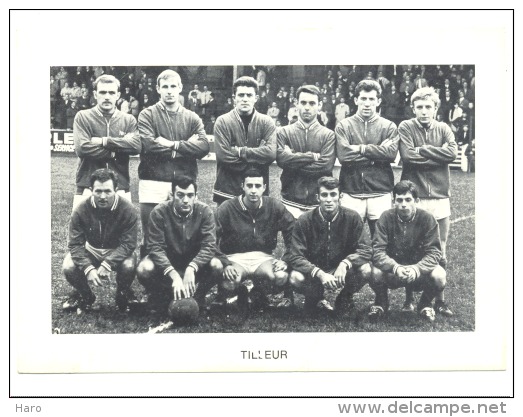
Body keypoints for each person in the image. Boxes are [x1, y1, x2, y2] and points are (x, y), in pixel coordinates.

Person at [398, 87, 457, 316]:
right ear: (413, 108)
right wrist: (437, 154)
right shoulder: (406, 127)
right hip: (416, 197)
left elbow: (451, 153)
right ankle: (409, 299)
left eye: (428, 107)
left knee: (441, 249)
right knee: (412, 248)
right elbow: (408, 156)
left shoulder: (443, 128)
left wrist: (423, 149)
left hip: (440, 196)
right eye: (419, 107)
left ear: (435, 108)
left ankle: (439, 300)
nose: (424, 111)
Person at [138, 69, 209, 255]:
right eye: (165, 87)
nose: (169, 91)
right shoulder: (147, 114)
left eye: (173, 87)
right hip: (153, 180)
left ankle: (179, 273)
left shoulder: (192, 117)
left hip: (184, 183)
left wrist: (172, 144)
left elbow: (203, 148)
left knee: (182, 233)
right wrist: (186, 148)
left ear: (180, 88)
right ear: (158, 89)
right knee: (150, 233)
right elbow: (148, 146)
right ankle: (149, 280)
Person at [284, 176, 372, 314]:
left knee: (366, 270)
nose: (329, 199)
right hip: (315, 270)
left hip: (340, 269)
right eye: (324, 195)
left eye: (333, 194)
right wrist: (319, 274)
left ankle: (345, 297)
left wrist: (345, 263)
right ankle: (314, 297)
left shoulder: (352, 217)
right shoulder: (304, 220)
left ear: (340, 196)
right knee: (295, 277)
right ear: (318, 197)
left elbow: (366, 249)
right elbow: (295, 256)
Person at [212, 168, 295, 313]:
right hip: (235, 258)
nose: (253, 190)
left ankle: (259, 291)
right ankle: (239, 290)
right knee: (229, 283)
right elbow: (211, 238)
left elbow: (293, 233)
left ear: (264, 187)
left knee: (280, 276)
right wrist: (225, 263)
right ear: (242, 186)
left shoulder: (274, 206)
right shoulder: (227, 208)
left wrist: (285, 259)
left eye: (257, 186)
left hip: (262, 257)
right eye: (249, 185)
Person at [136, 175, 219, 314]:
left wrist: (192, 267)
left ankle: (199, 297)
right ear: (171, 195)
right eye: (180, 195)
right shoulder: (159, 212)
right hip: (167, 263)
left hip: (193, 263)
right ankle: (160, 295)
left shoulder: (205, 212)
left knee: (217, 265)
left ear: (196, 196)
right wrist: (173, 274)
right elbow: (155, 247)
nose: (185, 200)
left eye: (190, 195)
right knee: (144, 268)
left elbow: (209, 246)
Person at [369, 180, 448, 322]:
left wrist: (417, 269)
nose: (403, 204)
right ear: (394, 201)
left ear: (416, 201)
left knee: (440, 275)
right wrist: (395, 267)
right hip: (394, 271)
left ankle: (425, 304)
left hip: (418, 272)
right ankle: (381, 302)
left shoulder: (427, 218)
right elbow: (377, 250)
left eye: (408, 199)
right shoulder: (385, 217)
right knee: (374, 272)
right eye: (399, 200)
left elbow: (435, 252)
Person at [62, 169, 139, 313]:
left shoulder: (128, 209)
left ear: (116, 190)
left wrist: (108, 263)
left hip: (116, 249)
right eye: (98, 191)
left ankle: (123, 294)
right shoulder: (80, 209)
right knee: (68, 265)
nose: (103, 196)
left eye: (108, 191)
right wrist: (87, 267)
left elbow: (128, 244)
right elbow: (75, 244)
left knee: (129, 264)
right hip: (91, 249)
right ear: (91, 190)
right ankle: (85, 295)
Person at [335, 79, 399, 237]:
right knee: (349, 240)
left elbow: (391, 154)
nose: (367, 103)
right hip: (351, 190)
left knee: (382, 241)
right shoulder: (344, 125)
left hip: (380, 190)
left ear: (378, 101)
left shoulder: (389, 126)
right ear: (356, 100)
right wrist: (377, 153)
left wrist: (361, 148)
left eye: (371, 99)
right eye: (363, 99)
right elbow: (344, 156)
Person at [72, 74, 141, 210]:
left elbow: (136, 147)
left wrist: (104, 141)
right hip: (87, 186)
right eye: (103, 92)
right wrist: (118, 149)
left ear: (118, 95)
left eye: (111, 92)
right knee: (83, 230)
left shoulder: (129, 120)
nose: (107, 96)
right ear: (95, 94)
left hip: (120, 186)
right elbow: (83, 148)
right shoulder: (83, 117)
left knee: (121, 230)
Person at [212, 76, 277, 204]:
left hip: (256, 191)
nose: (245, 99)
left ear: (256, 98)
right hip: (227, 191)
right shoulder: (222, 121)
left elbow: (270, 154)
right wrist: (257, 158)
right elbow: (224, 157)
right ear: (234, 98)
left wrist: (241, 152)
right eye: (241, 95)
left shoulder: (267, 122)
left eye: (249, 95)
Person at [276, 85, 336, 218]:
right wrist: (311, 157)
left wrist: (292, 157)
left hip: (317, 202)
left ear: (320, 105)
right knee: (292, 239)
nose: (307, 107)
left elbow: (325, 166)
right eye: (303, 102)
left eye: (312, 103)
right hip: (290, 201)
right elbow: (281, 160)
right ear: (296, 104)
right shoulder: (284, 132)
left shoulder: (328, 135)